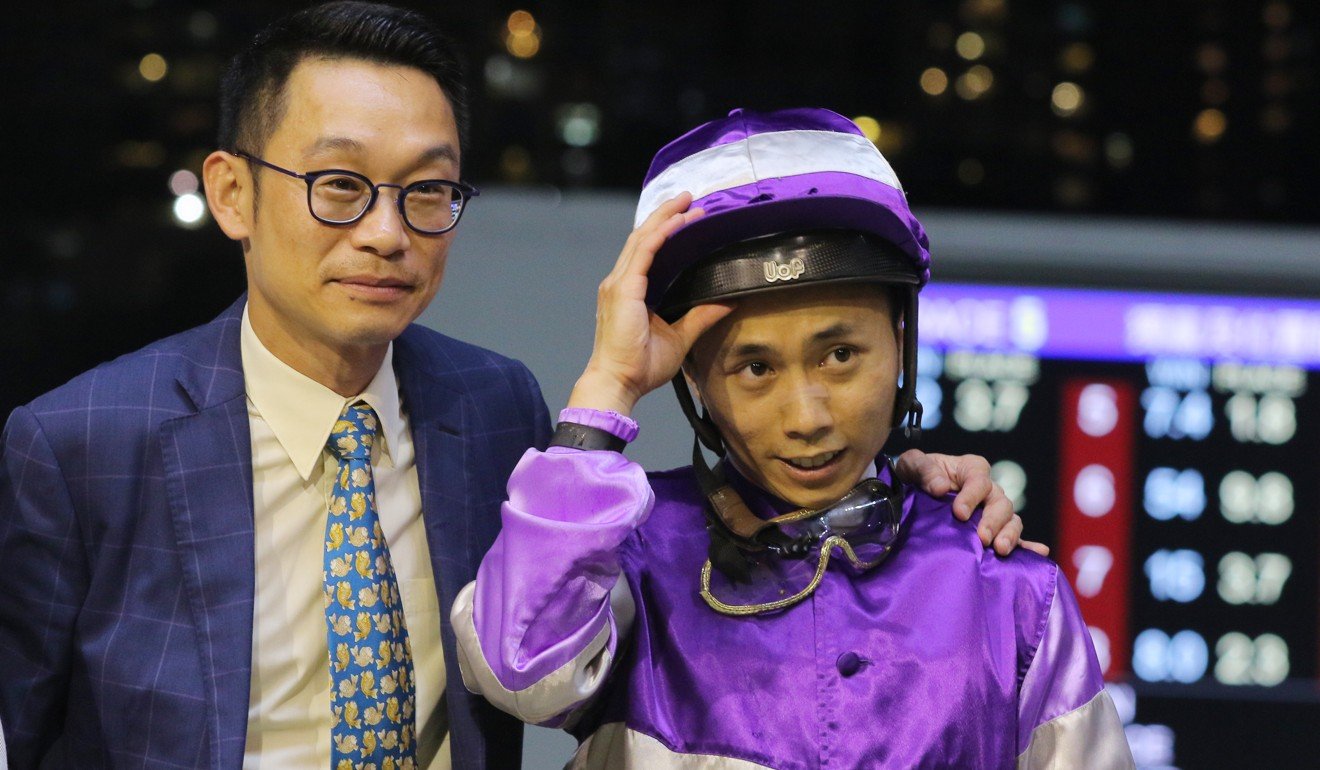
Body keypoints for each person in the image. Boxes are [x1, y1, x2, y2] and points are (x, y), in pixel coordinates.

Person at [0, 6, 1029, 770]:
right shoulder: (84, 442)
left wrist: (907, 483)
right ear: (233, 189)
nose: (387, 232)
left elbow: (547, 650)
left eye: (429, 189)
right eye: (340, 185)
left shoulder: (494, 409)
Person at [453, 107, 1133, 768]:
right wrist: (608, 385)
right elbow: (521, 670)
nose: (806, 416)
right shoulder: (624, 560)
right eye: (755, 368)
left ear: (901, 344)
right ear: (693, 380)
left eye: (839, 356)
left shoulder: (1013, 591)